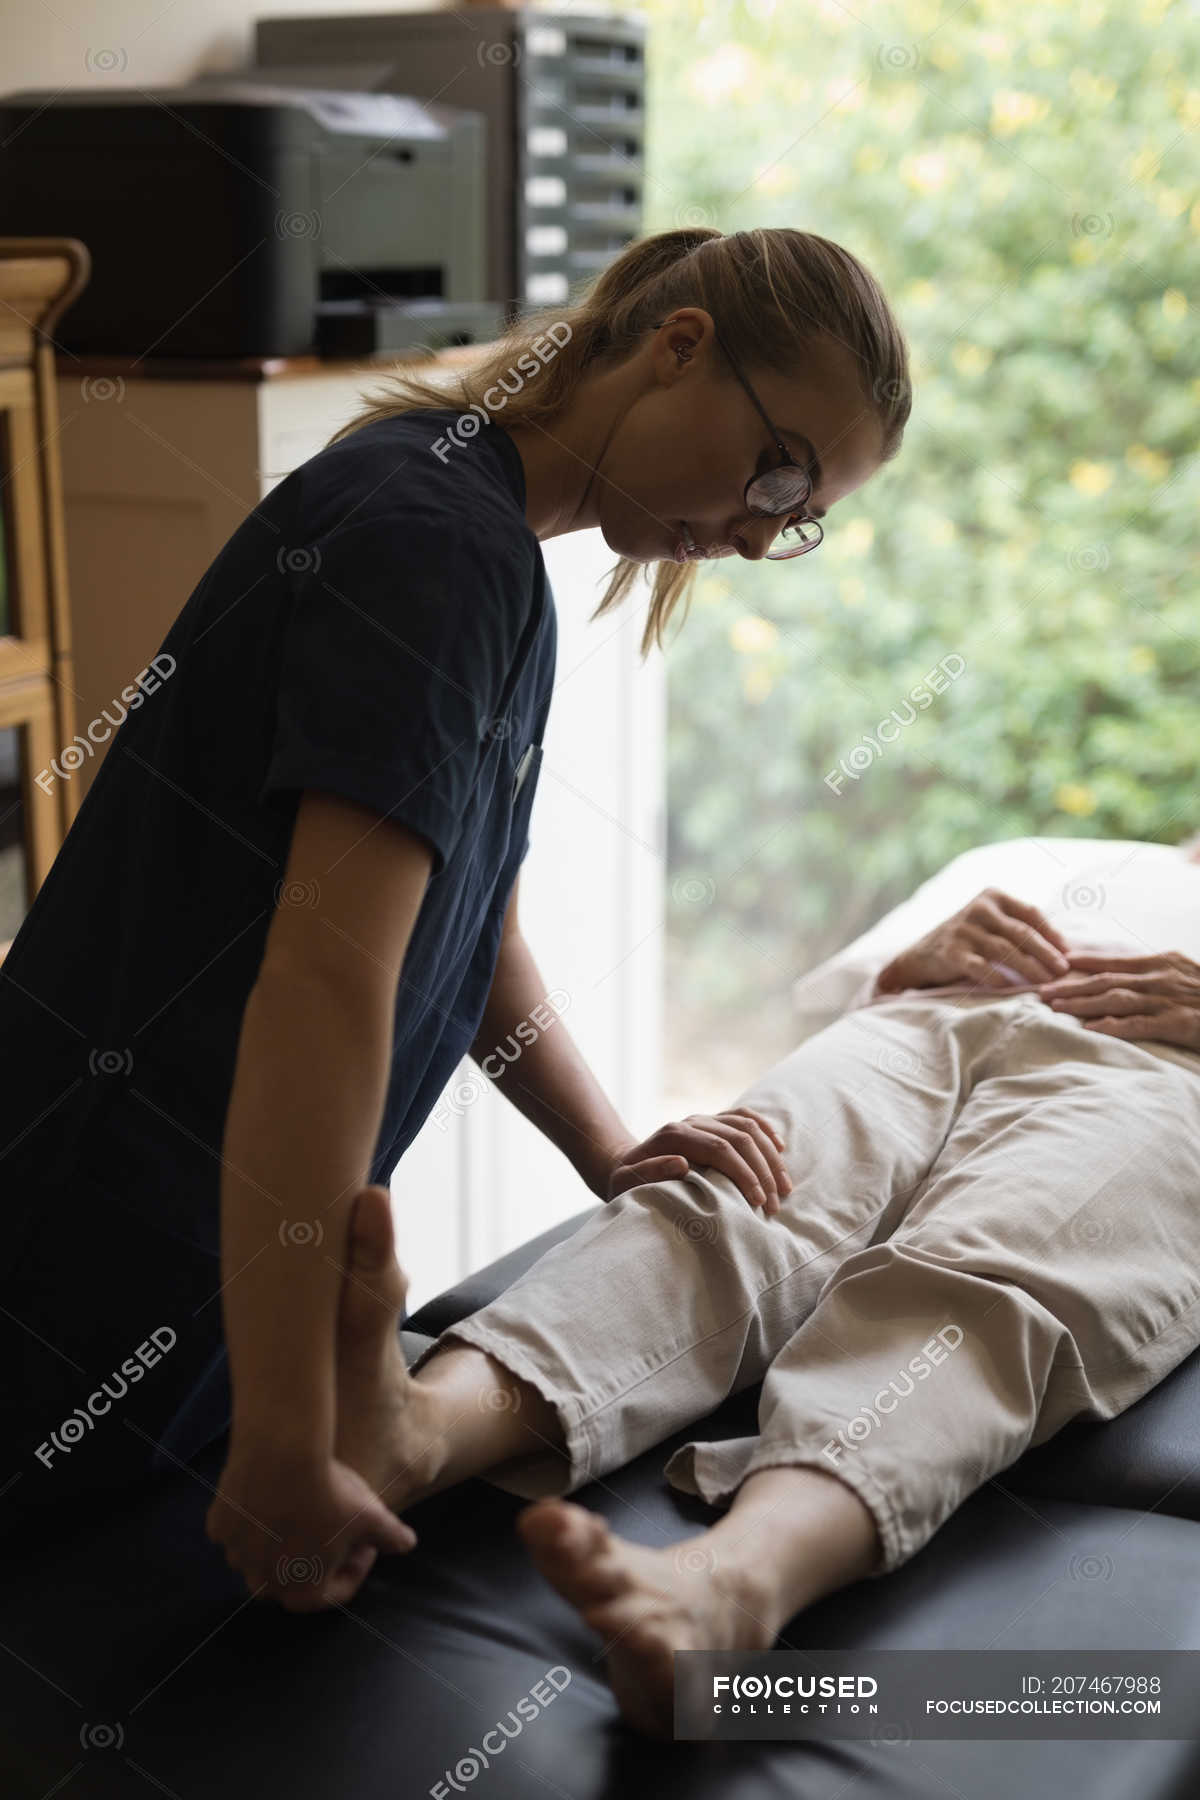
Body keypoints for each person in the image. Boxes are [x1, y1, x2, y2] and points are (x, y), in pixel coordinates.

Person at [0, 226, 910, 1572]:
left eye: (801, 518)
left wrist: (610, 1149)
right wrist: (289, 1430)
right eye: (777, 470)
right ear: (678, 349)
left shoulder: (479, 548)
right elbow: (328, 979)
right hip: (77, 1272)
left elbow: (469, 928)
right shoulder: (433, 545)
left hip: (166, 1287)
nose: (758, 530)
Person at [216, 841, 1200, 1739]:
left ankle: (729, 1588)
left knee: (978, 1287)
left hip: (1168, 1078)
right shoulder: (1044, 853)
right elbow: (849, 990)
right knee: (724, 1202)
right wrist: (903, 967)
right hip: (929, 1015)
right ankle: (417, 1432)